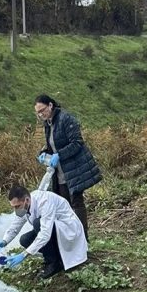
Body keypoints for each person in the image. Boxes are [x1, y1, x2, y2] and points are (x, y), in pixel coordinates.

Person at [34, 94, 101, 239]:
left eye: (42, 110)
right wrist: (44, 153)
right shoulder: (48, 124)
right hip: (60, 172)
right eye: (38, 112)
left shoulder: (66, 119)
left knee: (76, 203)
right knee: (64, 206)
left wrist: (60, 155)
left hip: (74, 169)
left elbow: (77, 142)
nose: (40, 115)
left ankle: (83, 238)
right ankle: (69, 239)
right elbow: (52, 145)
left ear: (50, 106)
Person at [0, 184, 88, 279]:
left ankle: (52, 264)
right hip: (54, 230)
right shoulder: (25, 206)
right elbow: (16, 225)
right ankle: (57, 257)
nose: (16, 210)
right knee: (25, 240)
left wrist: (24, 254)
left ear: (26, 200)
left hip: (68, 229)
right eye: (13, 207)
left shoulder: (44, 201)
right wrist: (4, 241)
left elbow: (45, 234)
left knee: (37, 223)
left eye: (17, 206)